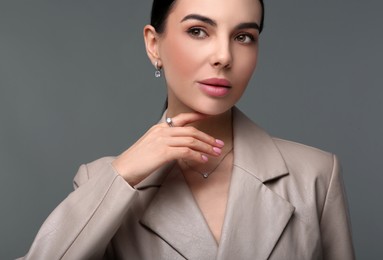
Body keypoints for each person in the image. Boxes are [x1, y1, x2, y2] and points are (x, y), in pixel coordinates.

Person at [20, 0, 355, 259]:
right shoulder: (100, 181)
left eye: (243, 37)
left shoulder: (315, 176)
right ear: (154, 45)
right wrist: (121, 174)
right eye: (198, 31)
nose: (224, 56)